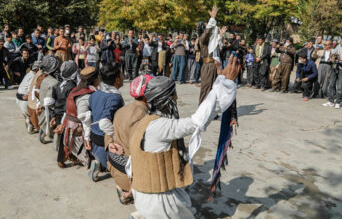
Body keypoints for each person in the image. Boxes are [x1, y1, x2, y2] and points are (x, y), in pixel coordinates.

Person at [127, 54, 239, 219]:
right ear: (166, 101)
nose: (177, 98)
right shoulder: (160, 127)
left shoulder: (147, 122)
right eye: (174, 95)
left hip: (147, 195)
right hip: (158, 201)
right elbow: (198, 120)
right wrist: (225, 84)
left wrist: (220, 79)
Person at [107, 75, 153, 205]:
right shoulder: (141, 117)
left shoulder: (121, 110)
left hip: (115, 167)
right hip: (128, 177)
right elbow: (138, 154)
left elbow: (108, 132)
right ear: (145, 96)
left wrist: (110, 143)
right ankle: (130, 193)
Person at [88, 64, 125, 181]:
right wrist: (114, 138)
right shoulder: (114, 97)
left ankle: (98, 163)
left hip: (93, 136)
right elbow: (104, 122)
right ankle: (122, 187)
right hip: (104, 139)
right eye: (122, 74)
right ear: (117, 79)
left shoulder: (95, 94)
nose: (124, 76)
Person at [61, 67, 100, 167]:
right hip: (77, 131)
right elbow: (85, 119)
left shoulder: (75, 90)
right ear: (95, 79)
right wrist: (87, 139)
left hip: (70, 126)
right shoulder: (84, 96)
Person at [198, 6, 227, 103]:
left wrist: (220, 35)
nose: (208, 27)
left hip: (213, 65)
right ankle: (202, 111)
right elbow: (208, 32)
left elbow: (214, 43)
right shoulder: (202, 38)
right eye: (206, 26)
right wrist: (212, 19)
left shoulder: (208, 40)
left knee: (214, 90)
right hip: (208, 66)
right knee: (206, 89)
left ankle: (211, 111)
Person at [52, 61, 78, 168]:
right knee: (65, 138)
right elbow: (69, 104)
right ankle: (61, 159)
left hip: (57, 113)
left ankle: (68, 155)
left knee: (63, 137)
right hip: (65, 115)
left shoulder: (58, 85)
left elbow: (54, 101)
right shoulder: (72, 86)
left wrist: (53, 115)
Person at [36, 55, 60, 143]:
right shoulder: (55, 82)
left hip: (42, 109)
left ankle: (41, 135)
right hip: (49, 112)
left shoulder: (44, 79)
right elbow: (50, 102)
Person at [16, 61, 42, 133]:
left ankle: (28, 118)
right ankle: (33, 123)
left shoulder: (28, 74)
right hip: (24, 101)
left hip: (18, 99)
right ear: (37, 69)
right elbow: (31, 90)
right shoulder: (34, 77)